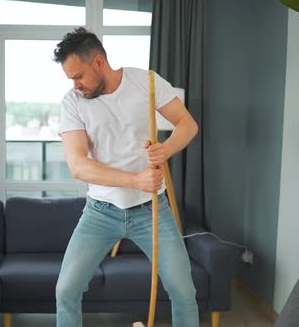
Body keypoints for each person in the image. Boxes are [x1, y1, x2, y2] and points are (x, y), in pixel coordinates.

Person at [53, 27, 200, 327]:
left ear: (98, 62)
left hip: (151, 211)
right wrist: (134, 181)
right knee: (65, 290)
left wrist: (165, 149)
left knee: (184, 291)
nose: (75, 84)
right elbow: (78, 165)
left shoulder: (145, 82)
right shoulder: (73, 102)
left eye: (78, 76)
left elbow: (187, 124)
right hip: (99, 212)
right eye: (70, 79)